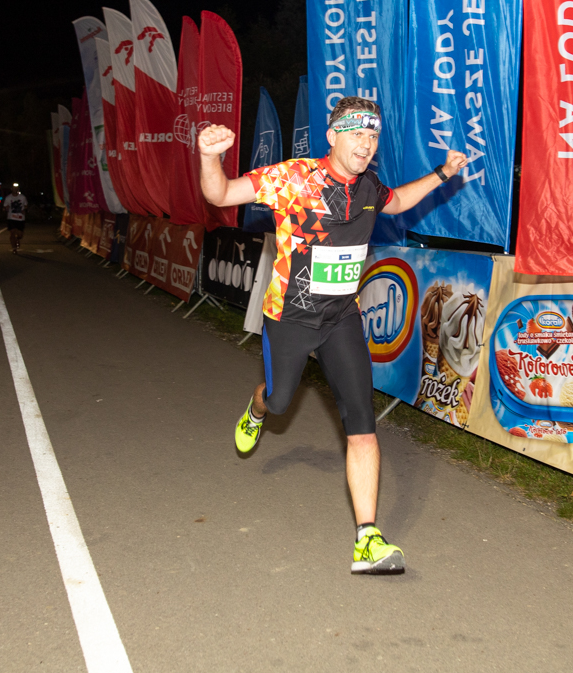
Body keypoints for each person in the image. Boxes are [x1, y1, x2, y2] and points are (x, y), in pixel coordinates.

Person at [198, 96, 467, 575]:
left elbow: (400, 201)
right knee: (280, 401)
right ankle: (257, 408)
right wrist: (209, 157)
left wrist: (443, 173)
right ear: (332, 136)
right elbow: (220, 195)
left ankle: (368, 538)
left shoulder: (369, 187)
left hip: (342, 319)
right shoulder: (293, 178)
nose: (367, 144)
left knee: (362, 423)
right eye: (357, 134)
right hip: (290, 319)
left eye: (373, 136)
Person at [3, 184, 27, 253]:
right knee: (12, 233)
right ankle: (14, 248)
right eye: (14, 188)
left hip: (20, 218)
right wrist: (6, 208)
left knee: (20, 234)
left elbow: (26, 205)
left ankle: (18, 239)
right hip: (11, 218)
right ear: (11, 189)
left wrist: (24, 209)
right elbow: (5, 206)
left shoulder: (22, 197)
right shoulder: (8, 198)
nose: (15, 189)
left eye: (16, 188)